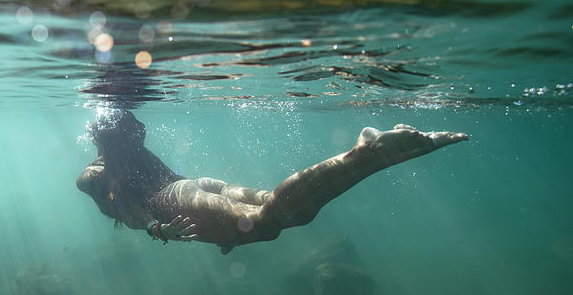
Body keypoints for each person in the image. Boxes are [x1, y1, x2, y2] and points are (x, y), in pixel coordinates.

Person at [77, 108, 468, 254]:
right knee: (283, 210)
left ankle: (365, 153)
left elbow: (128, 211)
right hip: (195, 185)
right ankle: (392, 151)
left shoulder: (94, 174)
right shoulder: (107, 164)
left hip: (174, 199)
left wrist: (157, 228)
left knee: (267, 223)